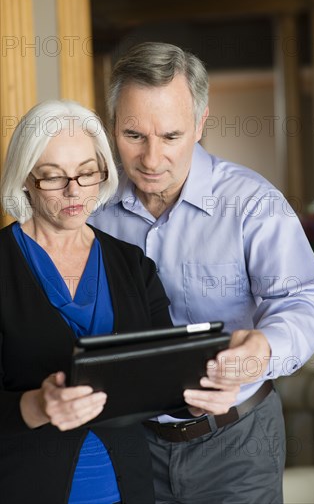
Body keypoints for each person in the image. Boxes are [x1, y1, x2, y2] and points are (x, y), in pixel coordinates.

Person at [90, 42, 314, 504]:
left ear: (201, 123)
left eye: (172, 136)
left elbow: (305, 299)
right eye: (133, 135)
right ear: (112, 125)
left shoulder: (252, 202)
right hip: (129, 443)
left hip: (238, 441)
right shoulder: (93, 210)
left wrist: (263, 349)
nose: (151, 158)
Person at [0, 99, 238, 504]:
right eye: (54, 177)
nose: (74, 191)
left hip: (126, 485)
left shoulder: (131, 265)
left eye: (87, 173)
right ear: (25, 178)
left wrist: (200, 398)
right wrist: (36, 406)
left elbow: (165, 376)